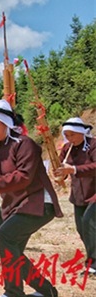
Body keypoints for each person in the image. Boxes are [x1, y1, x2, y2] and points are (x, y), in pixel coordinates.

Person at [0, 99, 63, 297]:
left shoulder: (26, 144)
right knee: (12, 252)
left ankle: (13, 292)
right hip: (17, 205)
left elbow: (23, 177)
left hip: (38, 202)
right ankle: (47, 291)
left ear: (6, 122)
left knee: (5, 237)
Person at [54, 117, 96, 276]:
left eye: (72, 135)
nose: (69, 138)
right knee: (82, 229)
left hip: (94, 193)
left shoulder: (93, 145)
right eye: (67, 135)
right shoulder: (67, 148)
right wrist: (60, 174)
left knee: (89, 223)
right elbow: (61, 167)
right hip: (79, 194)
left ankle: (93, 264)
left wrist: (74, 170)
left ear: (81, 133)